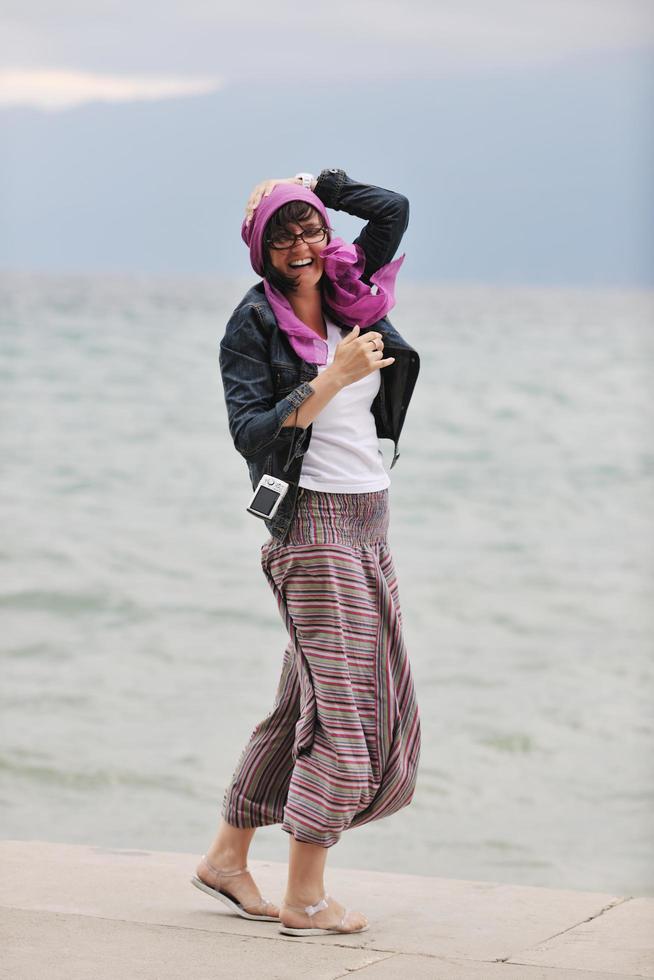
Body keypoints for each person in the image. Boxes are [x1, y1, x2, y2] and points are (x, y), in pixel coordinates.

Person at [191, 168, 421, 937]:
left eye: (311, 228)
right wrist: (329, 379)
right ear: (261, 249)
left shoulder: (356, 295)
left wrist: (319, 183)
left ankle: (226, 858)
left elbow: (393, 209)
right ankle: (307, 898)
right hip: (312, 529)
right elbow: (253, 432)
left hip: (369, 519)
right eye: (282, 235)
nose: (301, 246)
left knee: (301, 702)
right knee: (344, 712)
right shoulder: (251, 324)